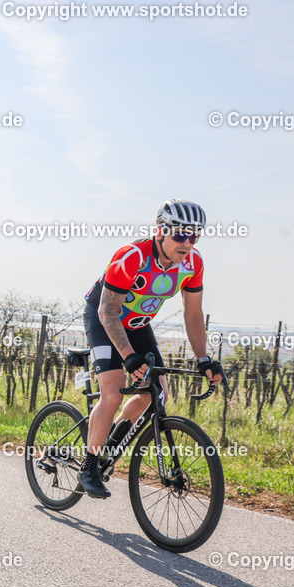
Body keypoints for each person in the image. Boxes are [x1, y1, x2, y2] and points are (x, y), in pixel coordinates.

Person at [79, 199, 225, 498]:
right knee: (114, 389)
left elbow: (193, 314)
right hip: (104, 317)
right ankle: (89, 465)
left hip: (136, 324)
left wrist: (204, 358)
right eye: (180, 234)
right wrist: (128, 357)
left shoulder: (193, 264)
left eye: (194, 235)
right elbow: (108, 312)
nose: (187, 242)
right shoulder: (131, 256)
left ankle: (110, 444)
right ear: (161, 231)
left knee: (156, 392)